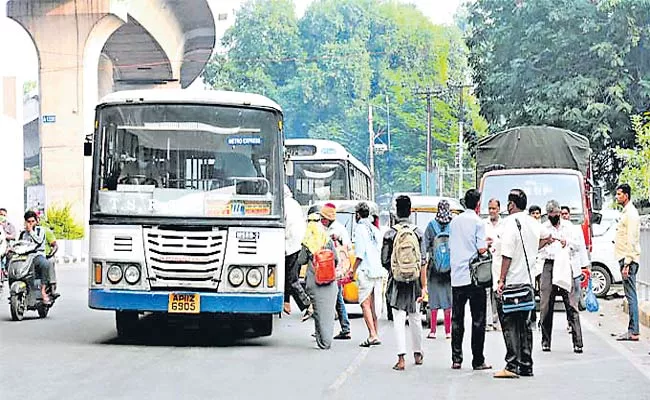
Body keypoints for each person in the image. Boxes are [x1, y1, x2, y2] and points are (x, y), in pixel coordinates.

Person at [494, 189, 546, 378]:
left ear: (511, 205)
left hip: (511, 284)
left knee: (509, 326)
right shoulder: (534, 223)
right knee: (525, 325)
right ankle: (526, 364)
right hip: (527, 283)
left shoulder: (510, 224)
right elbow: (547, 236)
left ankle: (511, 365)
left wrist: (501, 280)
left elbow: (506, 254)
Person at [381, 195, 427, 370]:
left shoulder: (390, 233)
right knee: (415, 316)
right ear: (410, 210)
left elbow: (384, 260)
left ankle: (401, 358)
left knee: (399, 318)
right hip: (415, 281)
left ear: (396, 211)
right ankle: (418, 353)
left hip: (396, 281)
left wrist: (396, 271)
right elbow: (423, 261)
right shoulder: (418, 233)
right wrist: (424, 286)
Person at [448, 189, 491, 370]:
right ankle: (478, 359)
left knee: (457, 318)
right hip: (475, 278)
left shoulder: (454, 222)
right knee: (478, 319)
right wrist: (487, 244)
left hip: (457, 276)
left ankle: (456, 359)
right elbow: (481, 249)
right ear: (478, 204)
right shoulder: (478, 222)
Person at [538, 200, 583, 353]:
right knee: (545, 304)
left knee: (571, 303)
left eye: (556, 214)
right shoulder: (543, 228)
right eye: (551, 215)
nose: (554, 217)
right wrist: (546, 241)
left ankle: (578, 342)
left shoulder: (568, 227)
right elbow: (536, 247)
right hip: (549, 264)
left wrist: (566, 242)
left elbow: (577, 245)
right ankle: (545, 341)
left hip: (564, 263)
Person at [301, 205, 339, 350]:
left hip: (314, 281)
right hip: (329, 281)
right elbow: (335, 260)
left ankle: (321, 340)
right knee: (328, 313)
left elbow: (301, 261)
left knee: (317, 312)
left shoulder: (307, 241)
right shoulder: (327, 239)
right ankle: (326, 340)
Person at [353, 201, 386, 347]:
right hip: (378, 270)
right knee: (374, 304)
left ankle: (372, 334)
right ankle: (375, 332)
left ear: (358, 215)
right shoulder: (375, 229)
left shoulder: (360, 229)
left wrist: (352, 271)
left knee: (365, 303)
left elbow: (359, 255)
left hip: (366, 270)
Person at [614, 183, 641, 342]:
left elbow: (632, 239)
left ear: (626, 195)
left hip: (628, 259)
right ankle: (633, 330)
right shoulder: (626, 212)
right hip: (625, 257)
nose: (617, 197)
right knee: (630, 295)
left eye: (619, 194)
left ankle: (633, 331)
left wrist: (627, 263)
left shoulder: (631, 213)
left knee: (631, 296)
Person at [320, 203, 351, 340]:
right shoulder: (324, 228)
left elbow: (347, 248)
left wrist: (337, 241)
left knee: (330, 299)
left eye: (323, 218)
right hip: (328, 268)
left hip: (335, 269)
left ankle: (325, 329)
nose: (321, 220)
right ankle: (345, 327)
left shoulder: (337, 230)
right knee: (337, 299)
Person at [424, 200, 453, 339]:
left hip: (434, 268)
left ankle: (433, 331)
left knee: (433, 299)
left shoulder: (431, 225)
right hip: (449, 269)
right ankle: (448, 331)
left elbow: (425, 246)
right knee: (448, 299)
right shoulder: (453, 225)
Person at [282, 185, 311, 319]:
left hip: (289, 245)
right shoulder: (295, 204)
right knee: (287, 275)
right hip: (297, 244)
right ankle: (286, 302)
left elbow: (284, 226)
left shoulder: (284, 206)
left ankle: (307, 305)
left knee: (291, 278)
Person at [19, 210, 58, 304]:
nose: (31, 223)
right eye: (28, 222)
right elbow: (19, 244)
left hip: (37, 255)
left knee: (45, 263)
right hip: (25, 257)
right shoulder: (23, 233)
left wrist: (31, 232)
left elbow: (39, 241)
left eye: (33, 221)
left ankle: (43, 291)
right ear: (25, 222)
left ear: (36, 221)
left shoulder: (41, 230)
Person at [562, 205, 589, 334]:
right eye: (562, 214)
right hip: (564, 270)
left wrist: (585, 265)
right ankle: (570, 321)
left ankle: (573, 322)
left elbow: (582, 248)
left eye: (566, 213)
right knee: (568, 298)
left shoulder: (575, 229)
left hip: (576, 268)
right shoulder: (559, 230)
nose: (564, 216)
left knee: (575, 297)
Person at [484, 198, 503, 331]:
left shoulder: (505, 224)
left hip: (500, 262)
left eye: (494, 208)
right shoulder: (483, 224)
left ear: (499, 209)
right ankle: (488, 321)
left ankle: (498, 320)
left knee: (498, 292)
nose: (491, 211)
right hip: (485, 261)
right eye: (490, 208)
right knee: (486, 292)